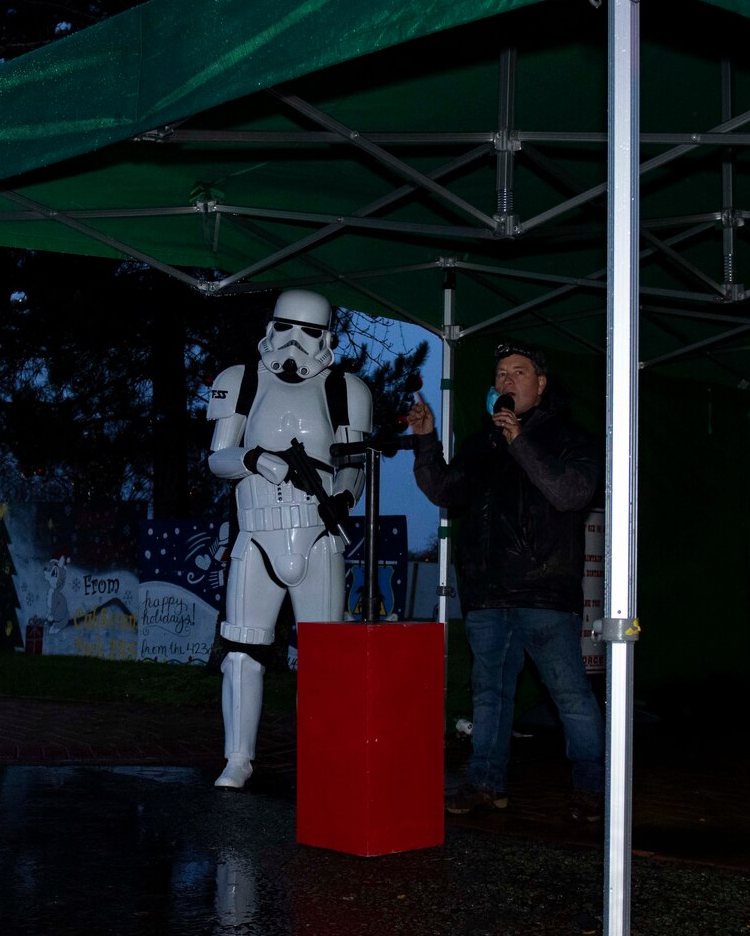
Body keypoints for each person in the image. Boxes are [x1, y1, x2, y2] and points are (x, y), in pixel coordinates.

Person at [406, 344, 605, 820]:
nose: (507, 381)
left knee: (571, 696)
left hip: (543, 593)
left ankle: (594, 789)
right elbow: (445, 491)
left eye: (519, 372)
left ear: (541, 384)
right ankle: (485, 783)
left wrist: (521, 442)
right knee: (490, 695)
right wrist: (427, 441)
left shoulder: (569, 438)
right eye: (500, 374)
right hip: (487, 595)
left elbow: (570, 493)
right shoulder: (480, 444)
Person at [205, 288, 371, 790]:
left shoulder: (347, 389)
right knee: (241, 652)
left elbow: (354, 462)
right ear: (269, 326)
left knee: (324, 656)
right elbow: (217, 457)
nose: (294, 342)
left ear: (327, 337)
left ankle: (322, 756)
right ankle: (238, 757)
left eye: (309, 332)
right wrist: (253, 459)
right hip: (256, 534)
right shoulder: (241, 381)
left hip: (318, 535)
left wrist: (340, 498)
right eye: (285, 327)